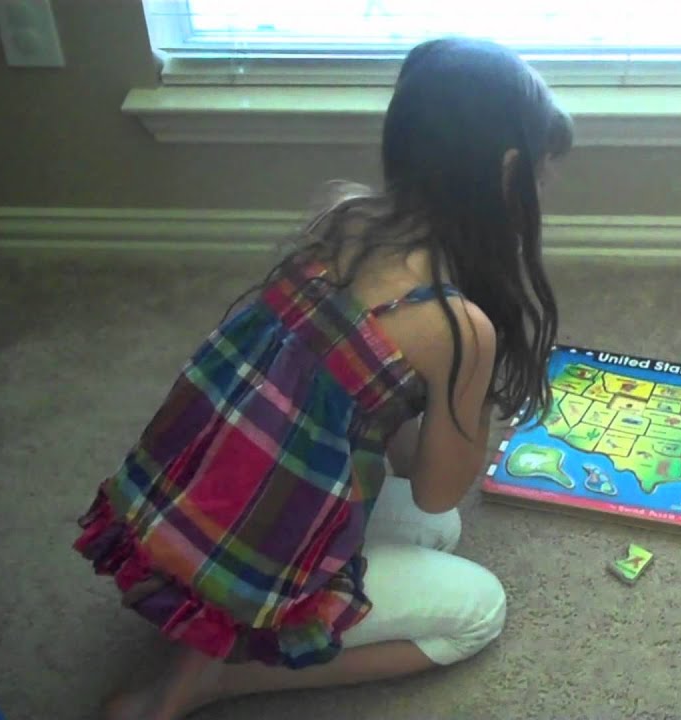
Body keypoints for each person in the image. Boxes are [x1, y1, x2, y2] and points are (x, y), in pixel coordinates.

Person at [74, 37, 573, 720]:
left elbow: (379, 442)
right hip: (241, 564)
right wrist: (471, 390)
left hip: (175, 515)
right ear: (508, 175)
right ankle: (218, 678)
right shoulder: (456, 328)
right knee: (477, 610)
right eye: (540, 179)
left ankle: (207, 634)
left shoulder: (343, 217)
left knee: (437, 535)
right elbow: (436, 490)